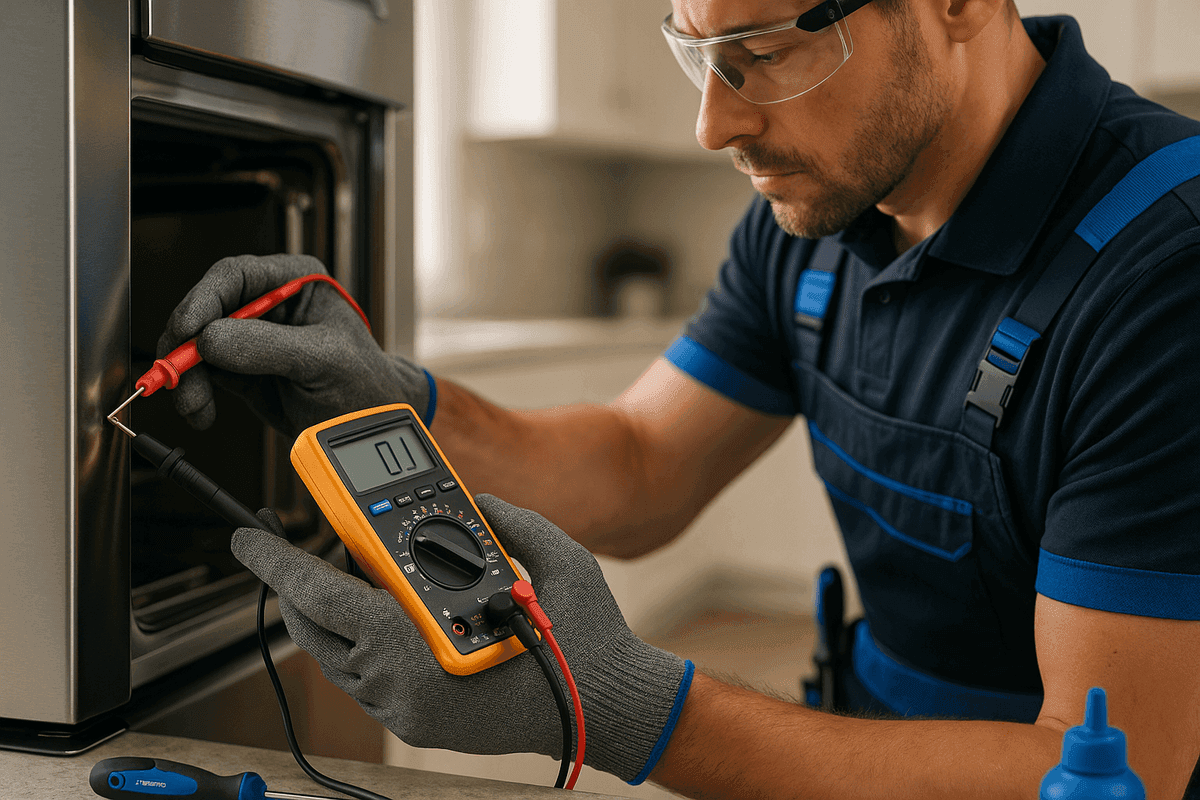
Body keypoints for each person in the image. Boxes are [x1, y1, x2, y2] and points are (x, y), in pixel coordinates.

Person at [158, 0, 1200, 797]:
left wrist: (624, 706)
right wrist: (399, 400)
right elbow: (641, 466)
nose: (711, 123)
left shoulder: (1166, 268)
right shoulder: (817, 218)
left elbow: (1115, 768)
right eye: (695, 50)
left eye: (763, 52)